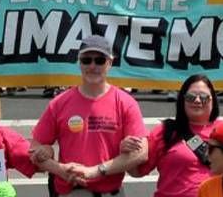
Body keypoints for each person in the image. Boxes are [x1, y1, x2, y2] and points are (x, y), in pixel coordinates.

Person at [29, 35, 147, 195]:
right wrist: (60, 169)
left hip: (110, 191)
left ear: (110, 63)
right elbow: (34, 149)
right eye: (86, 60)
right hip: (71, 192)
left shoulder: (126, 102)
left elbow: (141, 153)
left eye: (99, 60)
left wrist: (96, 171)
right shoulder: (59, 102)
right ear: (79, 63)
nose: (92, 66)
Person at [134, 74, 218, 197]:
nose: (197, 101)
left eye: (204, 97)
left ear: (213, 100)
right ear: (182, 100)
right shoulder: (165, 131)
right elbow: (137, 171)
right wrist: (127, 149)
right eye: (191, 97)